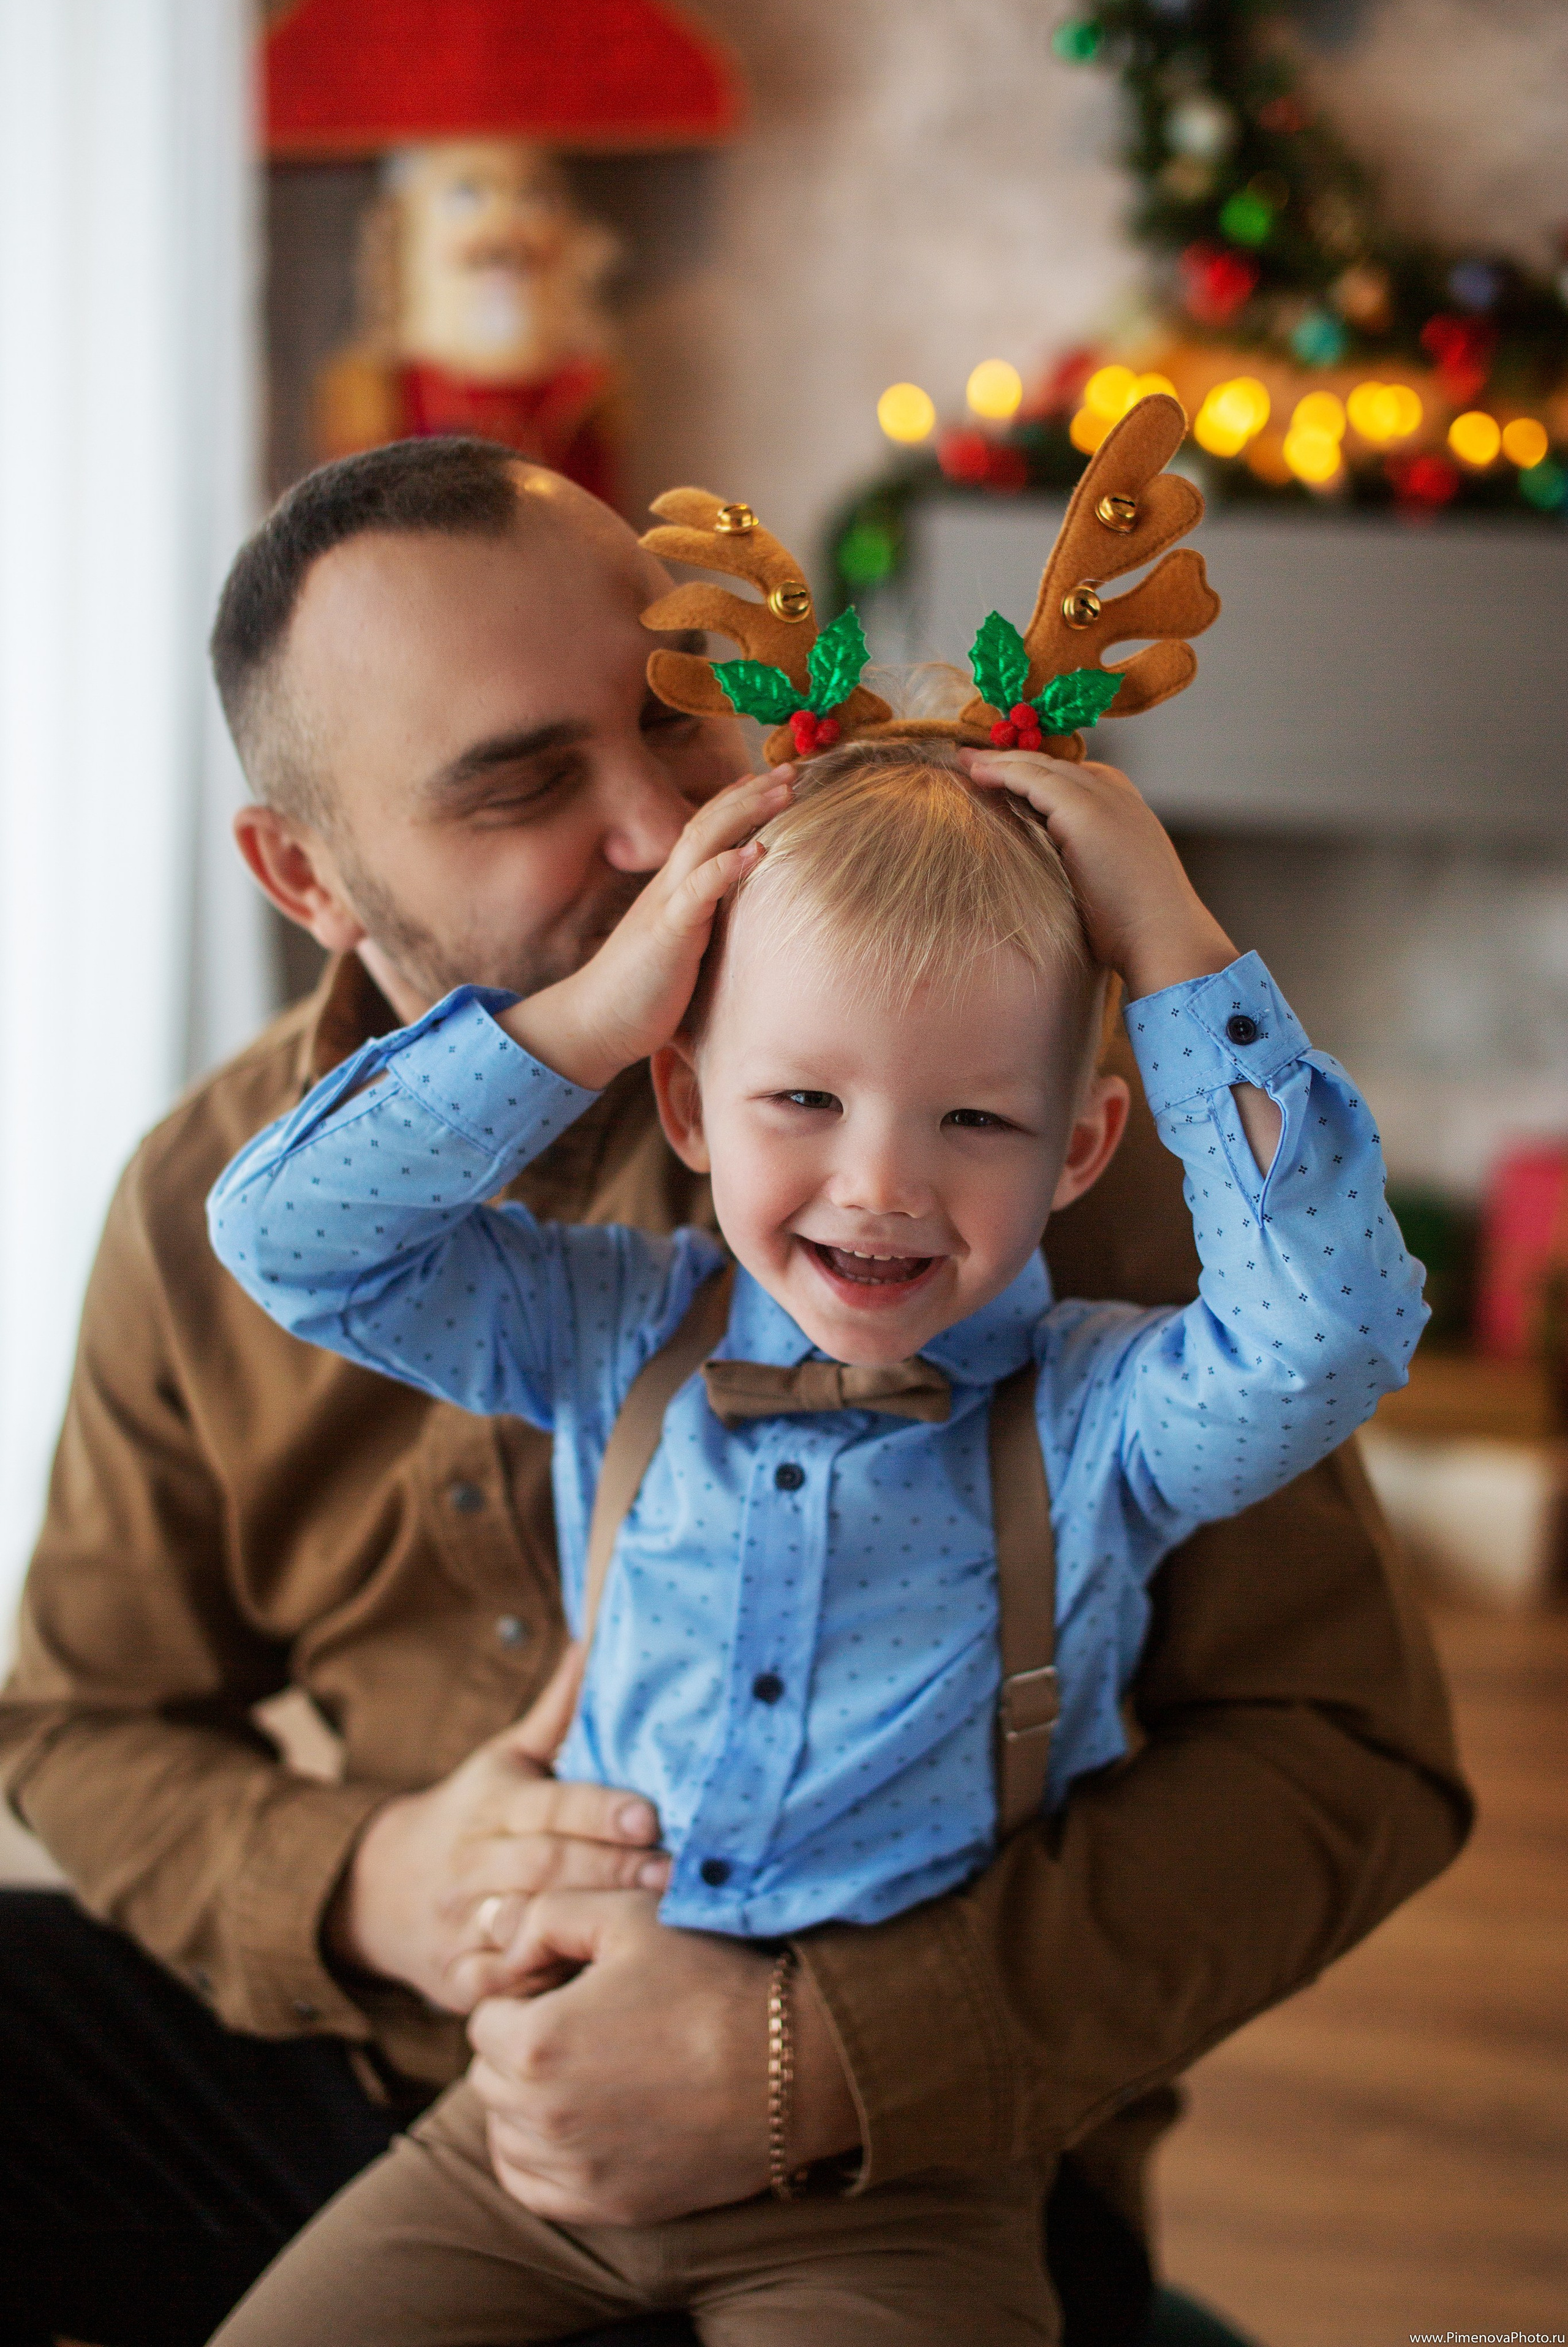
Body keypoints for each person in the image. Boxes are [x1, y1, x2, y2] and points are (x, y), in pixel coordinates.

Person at [0, 439, 1468, 2347]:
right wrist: (367, 1879)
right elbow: (79, 1726)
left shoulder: (987, 1158)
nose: (653, 834)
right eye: (526, 783)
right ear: (306, 870)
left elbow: (1345, 1758)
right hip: (418, 2104)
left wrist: (814, 2052)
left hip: (905, 2143)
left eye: (679, 726)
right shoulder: (227, 1188)